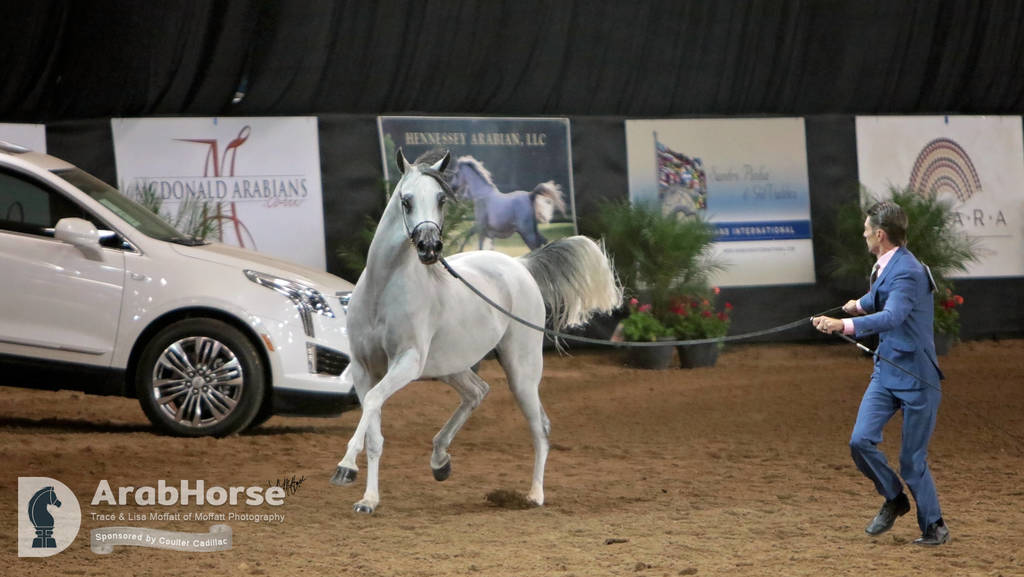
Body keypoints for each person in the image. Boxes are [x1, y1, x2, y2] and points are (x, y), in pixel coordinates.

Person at [811, 200, 948, 546]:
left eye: (867, 230)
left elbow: (893, 316)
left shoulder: (908, 271)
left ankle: (934, 526)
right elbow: (880, 296)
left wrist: (843, 324)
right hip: (887, 371)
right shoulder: (889, 265)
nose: (864, 234)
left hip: (916, 377)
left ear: (881, 235)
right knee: (860, 441)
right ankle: (894, 498)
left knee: (911, 461)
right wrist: (857, 305)